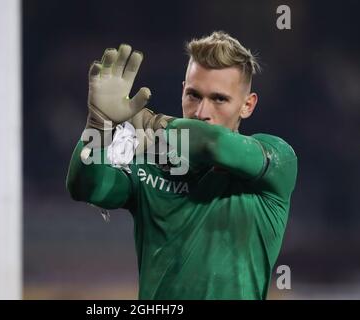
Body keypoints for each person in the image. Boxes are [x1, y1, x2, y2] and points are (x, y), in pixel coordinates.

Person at [66, 31, 298, 299]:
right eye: (194, 95)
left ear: (247, 105)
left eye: (219, 99)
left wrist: (156, 123)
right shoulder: (151, 163)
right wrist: (99, 125)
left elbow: (213, 145)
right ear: (182, 91)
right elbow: (86, 188)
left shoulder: (275, 159)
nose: (201, 113)